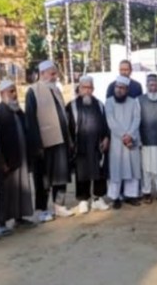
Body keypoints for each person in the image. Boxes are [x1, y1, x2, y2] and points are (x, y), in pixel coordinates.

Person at [25, 60, 74, 222]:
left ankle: (59, 206)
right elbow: (31, 120)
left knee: (61, 175)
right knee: (43, 178)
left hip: (61, 141)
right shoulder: (33, 91)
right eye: (52, 74)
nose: (55, 77)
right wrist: (36, 145)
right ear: (42, 73)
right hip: (44, 144)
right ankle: (42, 210)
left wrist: (68, 139)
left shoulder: (56, 90)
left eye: (55, 73)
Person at [0, 80, 35, 236]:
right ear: (1, 94)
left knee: (21, 189)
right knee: (3, 192)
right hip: (5, 162)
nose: (14, 94)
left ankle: (19, 218)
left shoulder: (18, 111)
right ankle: (2, 224)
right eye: (11, 91)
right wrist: (0, 162)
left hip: (20, 158)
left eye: (15, 91)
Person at [66, 76, 111, 214]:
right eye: (84, 87)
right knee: (82, 172)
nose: (87, 90)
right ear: (79, 88)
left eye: (89, 88)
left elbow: (105, 124)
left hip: (97, 145)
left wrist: (106, 138)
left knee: (99, 171)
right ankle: (83, 200)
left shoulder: (99, 105)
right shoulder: (72, 106)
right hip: (80, 146)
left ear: (93, 89)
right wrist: (70, 143)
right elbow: (67, 127)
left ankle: (98, 199)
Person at [106, 75, 142, 208]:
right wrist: (123, 135)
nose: (119, 90)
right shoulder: (109, 102)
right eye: (117, 87)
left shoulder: (134, 102)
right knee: (116, 170)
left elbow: (137, 119)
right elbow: (111, 121)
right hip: (117, 142)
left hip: (131, 140)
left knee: (132, 168)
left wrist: (130, 135)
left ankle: (131, 196)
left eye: (122, 88)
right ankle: (115, 198)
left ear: (127, 90)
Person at [138, 74, 157, 204]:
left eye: (155, 84)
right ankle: (147, 192)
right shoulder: (139, 100)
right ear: (146, 85)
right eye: (150, 85)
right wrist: (138, 139)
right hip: (145, 140)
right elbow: (137, 121)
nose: (153, 87)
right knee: (146, 169)